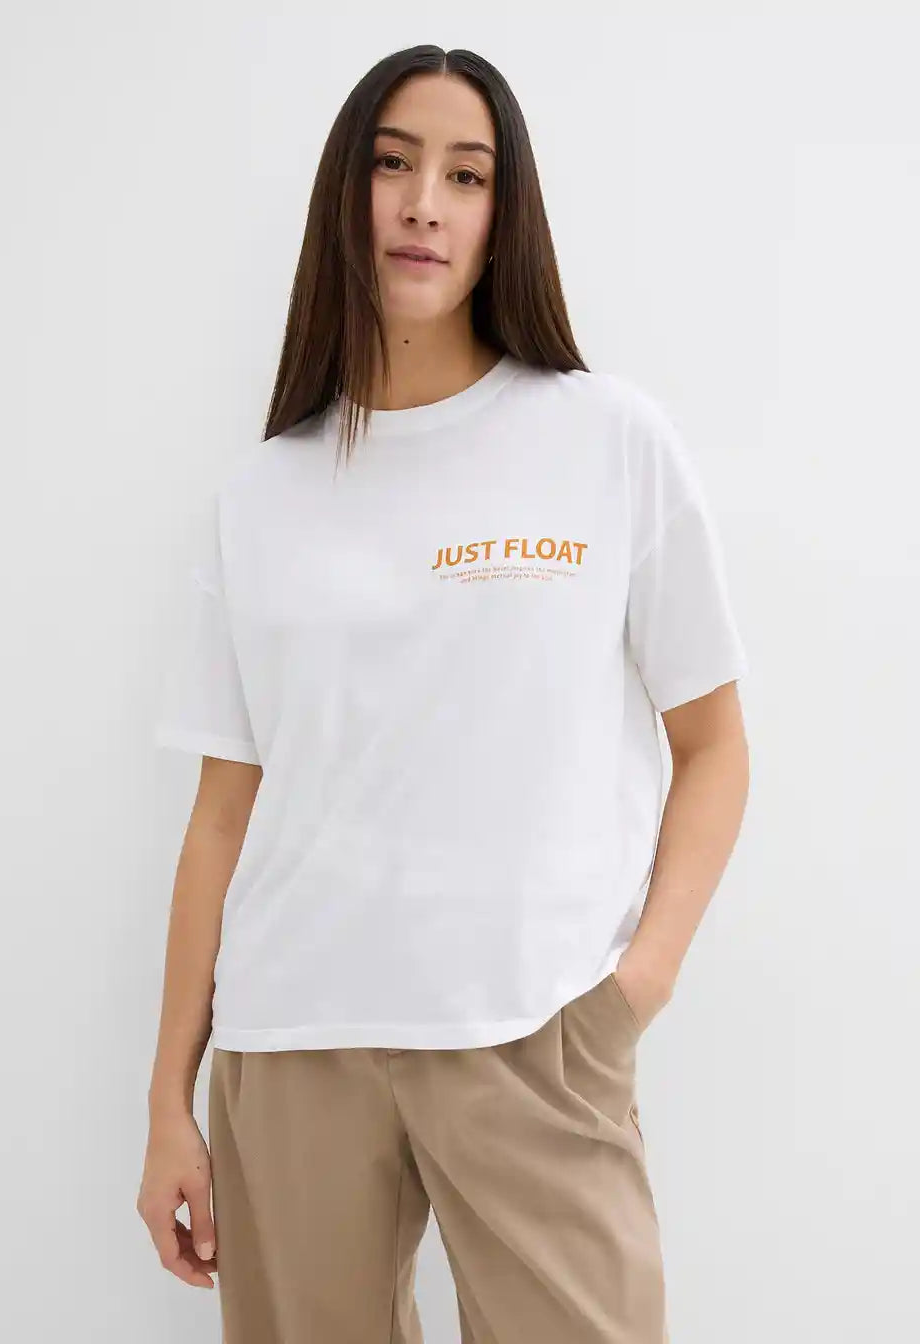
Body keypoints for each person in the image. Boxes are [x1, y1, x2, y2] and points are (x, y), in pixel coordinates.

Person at [137, 43, 750, 1344]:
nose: (425, 204)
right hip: (293, 1037)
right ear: (346, 193)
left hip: (535, 1033)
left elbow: (713, 745)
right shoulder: (262, 496)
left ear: (502, 214)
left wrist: (631, 992)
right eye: (394, 164)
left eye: (466, 175)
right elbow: (221, 817)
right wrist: (165, 1107)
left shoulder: (606, 440)